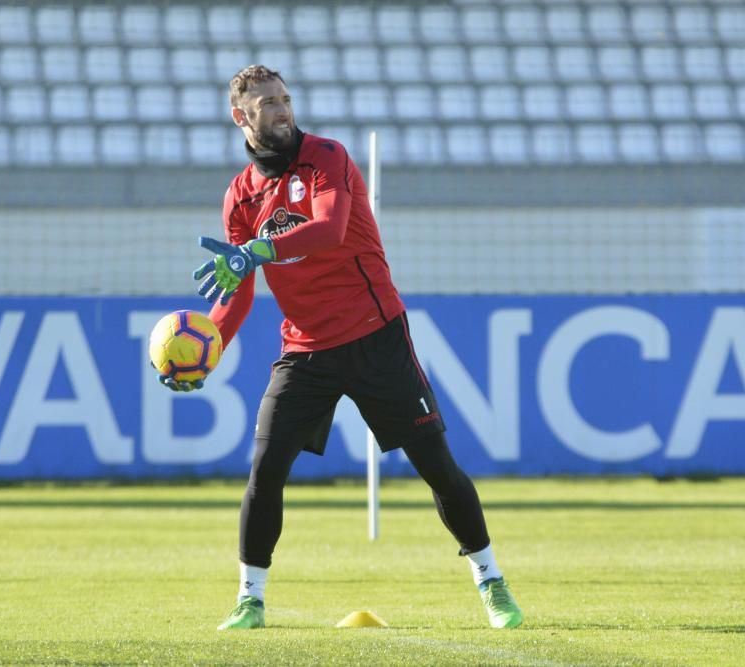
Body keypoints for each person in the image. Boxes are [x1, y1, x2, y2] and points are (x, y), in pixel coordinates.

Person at [162, 65, 523, 631]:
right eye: (267, 103)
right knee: (265, 469)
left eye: (284, 98)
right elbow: (237, 295)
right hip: (305, 349)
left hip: (375, 334)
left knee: (437, 466)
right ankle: (250, 600)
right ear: (241, 117)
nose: (282, 109)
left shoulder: (327, 157)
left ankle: (491, 581)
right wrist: (206, 351)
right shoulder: (239, 195)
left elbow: (328, 230)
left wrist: (255, 250)